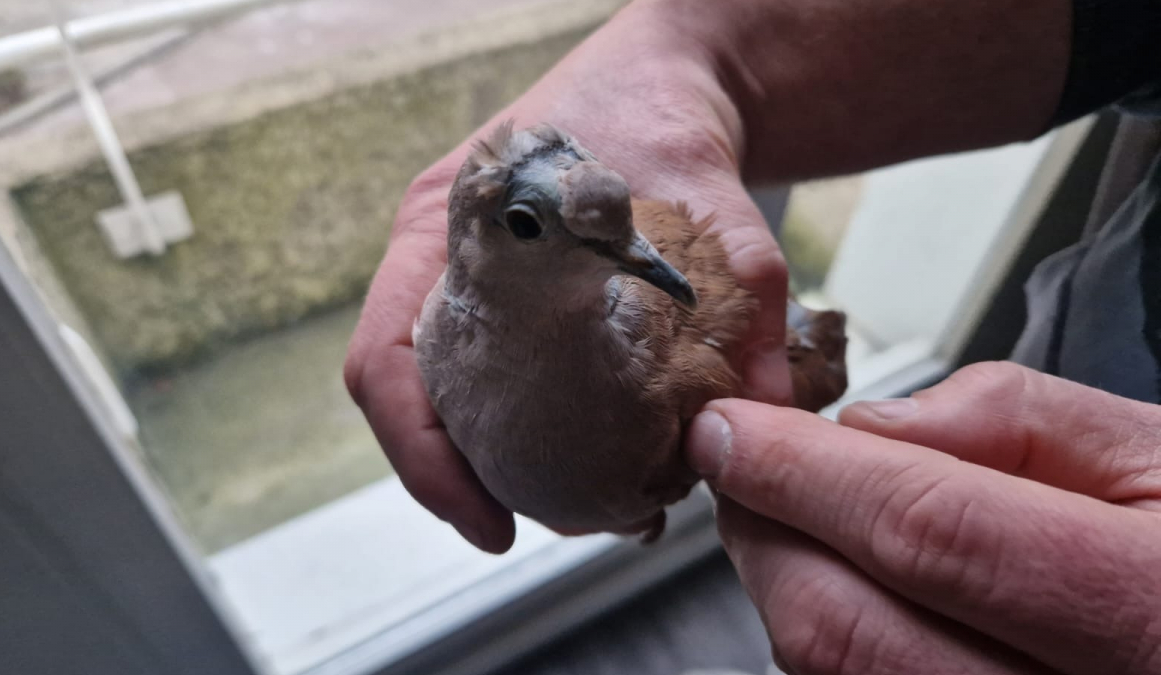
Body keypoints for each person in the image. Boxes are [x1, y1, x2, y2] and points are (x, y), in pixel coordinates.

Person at [344, 0, 1161, 672]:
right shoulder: (446, 325)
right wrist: (693, 48)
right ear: (477, 242)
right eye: (523, 224)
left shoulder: (633, 398)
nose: (642, 262)